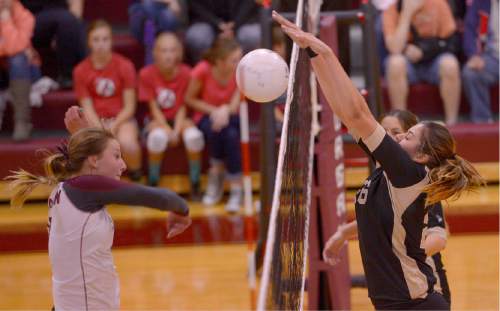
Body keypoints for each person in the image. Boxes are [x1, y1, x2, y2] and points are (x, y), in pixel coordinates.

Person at [273, 11, 484, 310]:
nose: (397, 138)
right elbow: (346, 114)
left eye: (407, 136)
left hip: (416, 305)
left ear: (422, 156)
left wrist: (327, 52)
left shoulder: (410, 173)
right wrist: (313, 55)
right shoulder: (386, 173)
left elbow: (359, 113)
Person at [7, 121, 191, 310]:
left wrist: (84, 132)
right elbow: (162, 197)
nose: (124, 165)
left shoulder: (63, 190)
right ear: (94, 160)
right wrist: (182, 210)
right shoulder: (85, 187)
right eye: (117, 156)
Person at [323, 109, 451, 305]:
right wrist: (342, 234)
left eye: (396, 131)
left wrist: (400, 256)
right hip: (395, 294)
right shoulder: (381, 174)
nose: (390, 137)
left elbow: (439, 238)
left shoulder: (416, 182)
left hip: (424, 288)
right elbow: (379, 222)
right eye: (383, 131)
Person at [73, 20, 143, 182]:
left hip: (122, 119)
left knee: (128, 144)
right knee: (93, 149)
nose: (101, 44)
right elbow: (87, 107)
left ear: (111, 41)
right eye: (96, 40)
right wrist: (101, 130)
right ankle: (99, 186)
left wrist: (115, 125)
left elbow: (130, 106)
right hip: (95, 121)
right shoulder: (80, 70)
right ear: (89, 42)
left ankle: (136, 177)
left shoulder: (125, 65)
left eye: (105, 39)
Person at [139, 32, 204, 199]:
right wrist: (168, 130)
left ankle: (195, 182)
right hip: (157, 119)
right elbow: (153, 107)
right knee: (157, 138)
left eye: (172, 50)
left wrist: (176, 130)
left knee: (194, 138)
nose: (168, 55)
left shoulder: (186, 73)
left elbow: (183, 105)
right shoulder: (146, 74)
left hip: (180, 118)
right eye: (164, 50)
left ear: (179, 53)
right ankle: (153, 182)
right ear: (155, 53)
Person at [184, 38, 243, 212]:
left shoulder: (243, 71)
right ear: (220, 61)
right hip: (206, 116)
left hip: (231, 116)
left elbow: (234, 105)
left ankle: (216, 172)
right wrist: (214, 111)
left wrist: (224, 110)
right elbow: (190, 99)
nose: (239, 62)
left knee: (226, 130)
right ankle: (235, 187)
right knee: (226, 133)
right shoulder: (202, 70)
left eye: (240, 57)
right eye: (234, 59)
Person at [383, 0, 461, 125]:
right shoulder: (391, 9)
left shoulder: (439, 4)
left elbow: (451, 41)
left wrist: (424, 50)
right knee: (394, 63)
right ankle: (400, 123)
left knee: (450, 64)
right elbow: (394, 48)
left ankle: (452, 123)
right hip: (408, 63)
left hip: (434, 60)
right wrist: (406, 14)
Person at [20, 0, 86, 88]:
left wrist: (70, 29)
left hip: (64, 18)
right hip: (28, 19)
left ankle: (90, 75)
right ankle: (69, 75)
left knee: (80, 27)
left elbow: (75, 3)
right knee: (66, 20)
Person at [0, 0, 38, 141]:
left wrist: (5, 20)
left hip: (27, 70)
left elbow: (15, 47)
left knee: (18, 59)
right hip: (3, 70)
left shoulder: (26, 16)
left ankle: (22, 121)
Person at [184, 0, 260, 64]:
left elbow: (250, 4)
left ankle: (247, 69)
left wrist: (235, 24)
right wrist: (217, 24)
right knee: (197, 37)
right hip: (207, 21)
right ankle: (206, 72)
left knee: (252, 36)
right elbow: (195, 6)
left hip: (241, 21)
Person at [462, 0, 499, 123]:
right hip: (491, 56)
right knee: (471, 73)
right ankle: (483, 122)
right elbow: (469, 30)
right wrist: (474, 55)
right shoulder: (481, 3)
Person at [128, 0, 186, 65]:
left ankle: (151, 66)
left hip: (164, 14)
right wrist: (171, 1)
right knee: (149, 9)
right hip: (141, 14)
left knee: (167, 18)